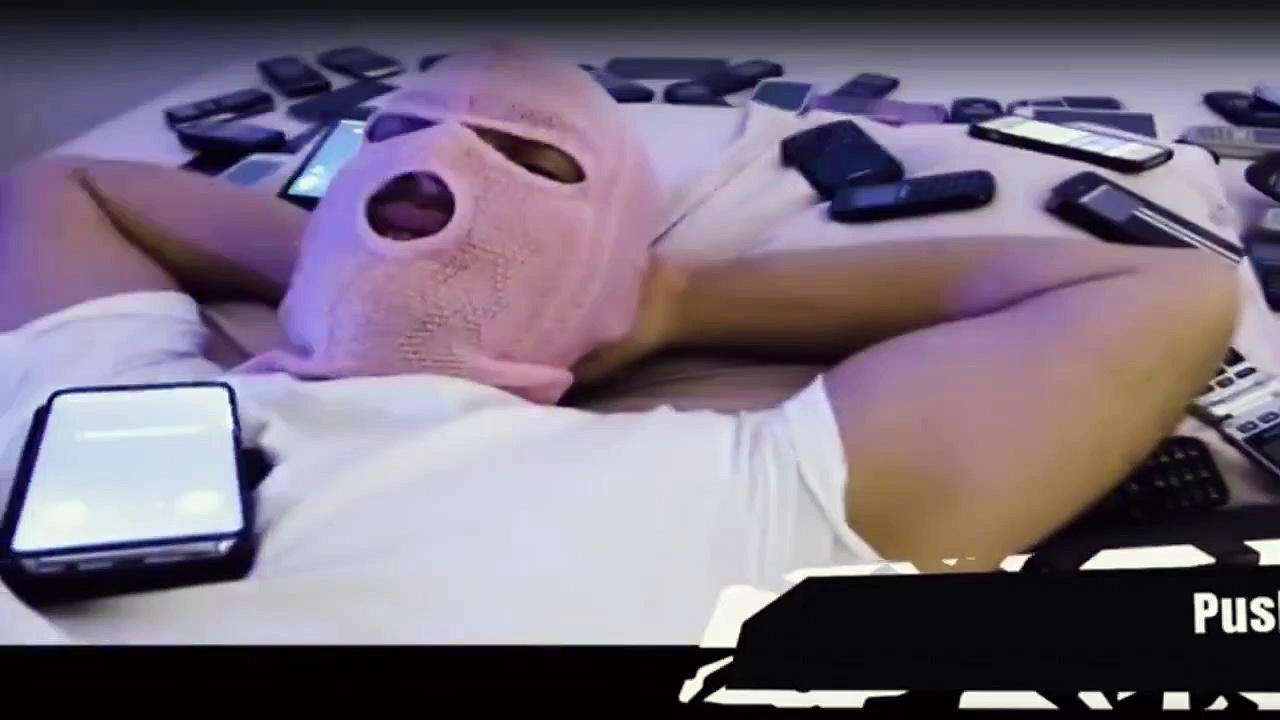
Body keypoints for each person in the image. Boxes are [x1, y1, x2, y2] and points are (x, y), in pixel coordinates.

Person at [0, 44, 1239, 644]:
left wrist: (645, 305)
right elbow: (68, 192)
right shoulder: (112, 409)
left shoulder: (747, 500)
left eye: (530, 162)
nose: (434, 160)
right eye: (395, 140)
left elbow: (1166, 288)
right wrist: (362, 277)